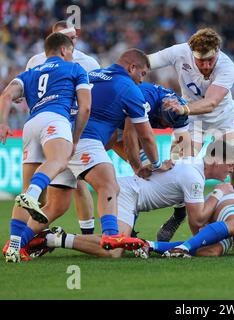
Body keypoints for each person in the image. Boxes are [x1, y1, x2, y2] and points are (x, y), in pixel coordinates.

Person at [15, 48, 166, 259]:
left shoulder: (91, 74)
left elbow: (112, 137)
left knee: (56, 205)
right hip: (84, 139)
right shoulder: (128, 88)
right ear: (132, 68)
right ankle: (112, 236)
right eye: (142, 74)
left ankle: (19, 244)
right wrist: (157, 164)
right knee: (109, 184)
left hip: (61, 137)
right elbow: (146, 136)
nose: (142, 81)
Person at [31, 139, 234, 259]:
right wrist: (219, 193)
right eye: (229, 163)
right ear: (216, 160)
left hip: (130, 195)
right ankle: (53, 238)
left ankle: (54, 238)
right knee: (114, 250)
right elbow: (197, 222)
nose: (232, 168)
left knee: (115, 247)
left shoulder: (192, 165)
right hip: (127, 195)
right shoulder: (194, 177)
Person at [147, 28, 234, 241]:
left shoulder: (227, 66)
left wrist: (183, 109)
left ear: (217, 51)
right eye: (201, 61)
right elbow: (145, 61)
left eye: (211, 60)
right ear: (191, 52)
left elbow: (211, 103)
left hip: (224, 117)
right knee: (179, 166)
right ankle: (179, 213)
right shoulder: (178, 52)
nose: (206, 66)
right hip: (192, 118)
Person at [0, 33, 91, 262]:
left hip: (31, 125)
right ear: (63, 50)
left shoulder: (29, 73)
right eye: (70, 50)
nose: (72, 54)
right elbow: (86, 108)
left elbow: (6, 95)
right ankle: (33, 193)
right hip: (56, 120)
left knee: (26, 193)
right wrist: (76, 138)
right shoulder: (75, 69)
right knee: (58, 161)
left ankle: (15, 245)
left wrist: (2, 123)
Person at [26, 20, 101, 236]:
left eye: (74, 38)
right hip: (45, 122)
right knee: (43, 183)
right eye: (68, 39)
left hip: (70, 125)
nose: (72, 43)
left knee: (77, 181)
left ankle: (87, 235)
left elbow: (91, 100)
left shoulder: (88, 62)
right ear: (56, 39)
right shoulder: (36, 60)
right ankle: (38, 235)